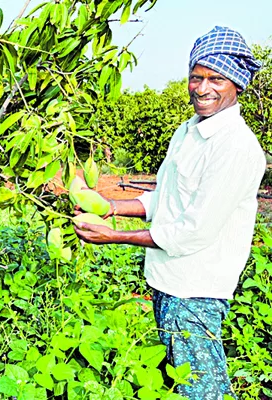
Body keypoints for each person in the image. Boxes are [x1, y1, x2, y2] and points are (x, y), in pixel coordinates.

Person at [74, 26, 265, 399]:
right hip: (167, 282)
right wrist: (110, 207)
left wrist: (112, 236)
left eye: (216, 79)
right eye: (196, 77)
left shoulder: (236, 147)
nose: (202, 87)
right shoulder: (188, 131)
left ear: (237, 85)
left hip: (197, 291)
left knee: (202, 390)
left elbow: (192, 231)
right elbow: (163, 197)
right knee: (182, 381)